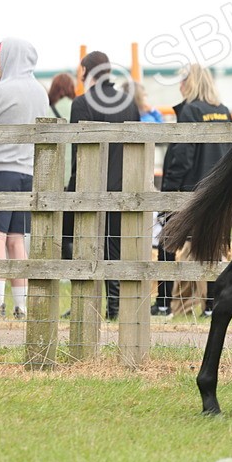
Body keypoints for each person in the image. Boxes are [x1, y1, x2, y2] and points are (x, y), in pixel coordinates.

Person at [0, 39, 52, 318]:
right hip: (27, 172)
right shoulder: (40, 93)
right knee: (17, 240)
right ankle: (22, 305)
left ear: (11, 58)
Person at [65, 51, 140, 320]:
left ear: (87, 71)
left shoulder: (82, 103)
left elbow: (79, 152)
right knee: (116, 248)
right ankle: (115, 307)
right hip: (124, 186)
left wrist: (72, 188)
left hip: (91, 185)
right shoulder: (129, 103)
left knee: (85, 247)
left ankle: (86, 305)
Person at [155, 64, 232, 317]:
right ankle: (211, 304)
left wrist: (169, 191)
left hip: (190, 190)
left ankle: (164, 302)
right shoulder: (223, 112)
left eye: (182, 80)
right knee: (211, 246)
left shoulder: (190, 111)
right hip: (218, 191)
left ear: (191, 82)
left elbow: (182, 155)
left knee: (167, 242)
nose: (179, 85)